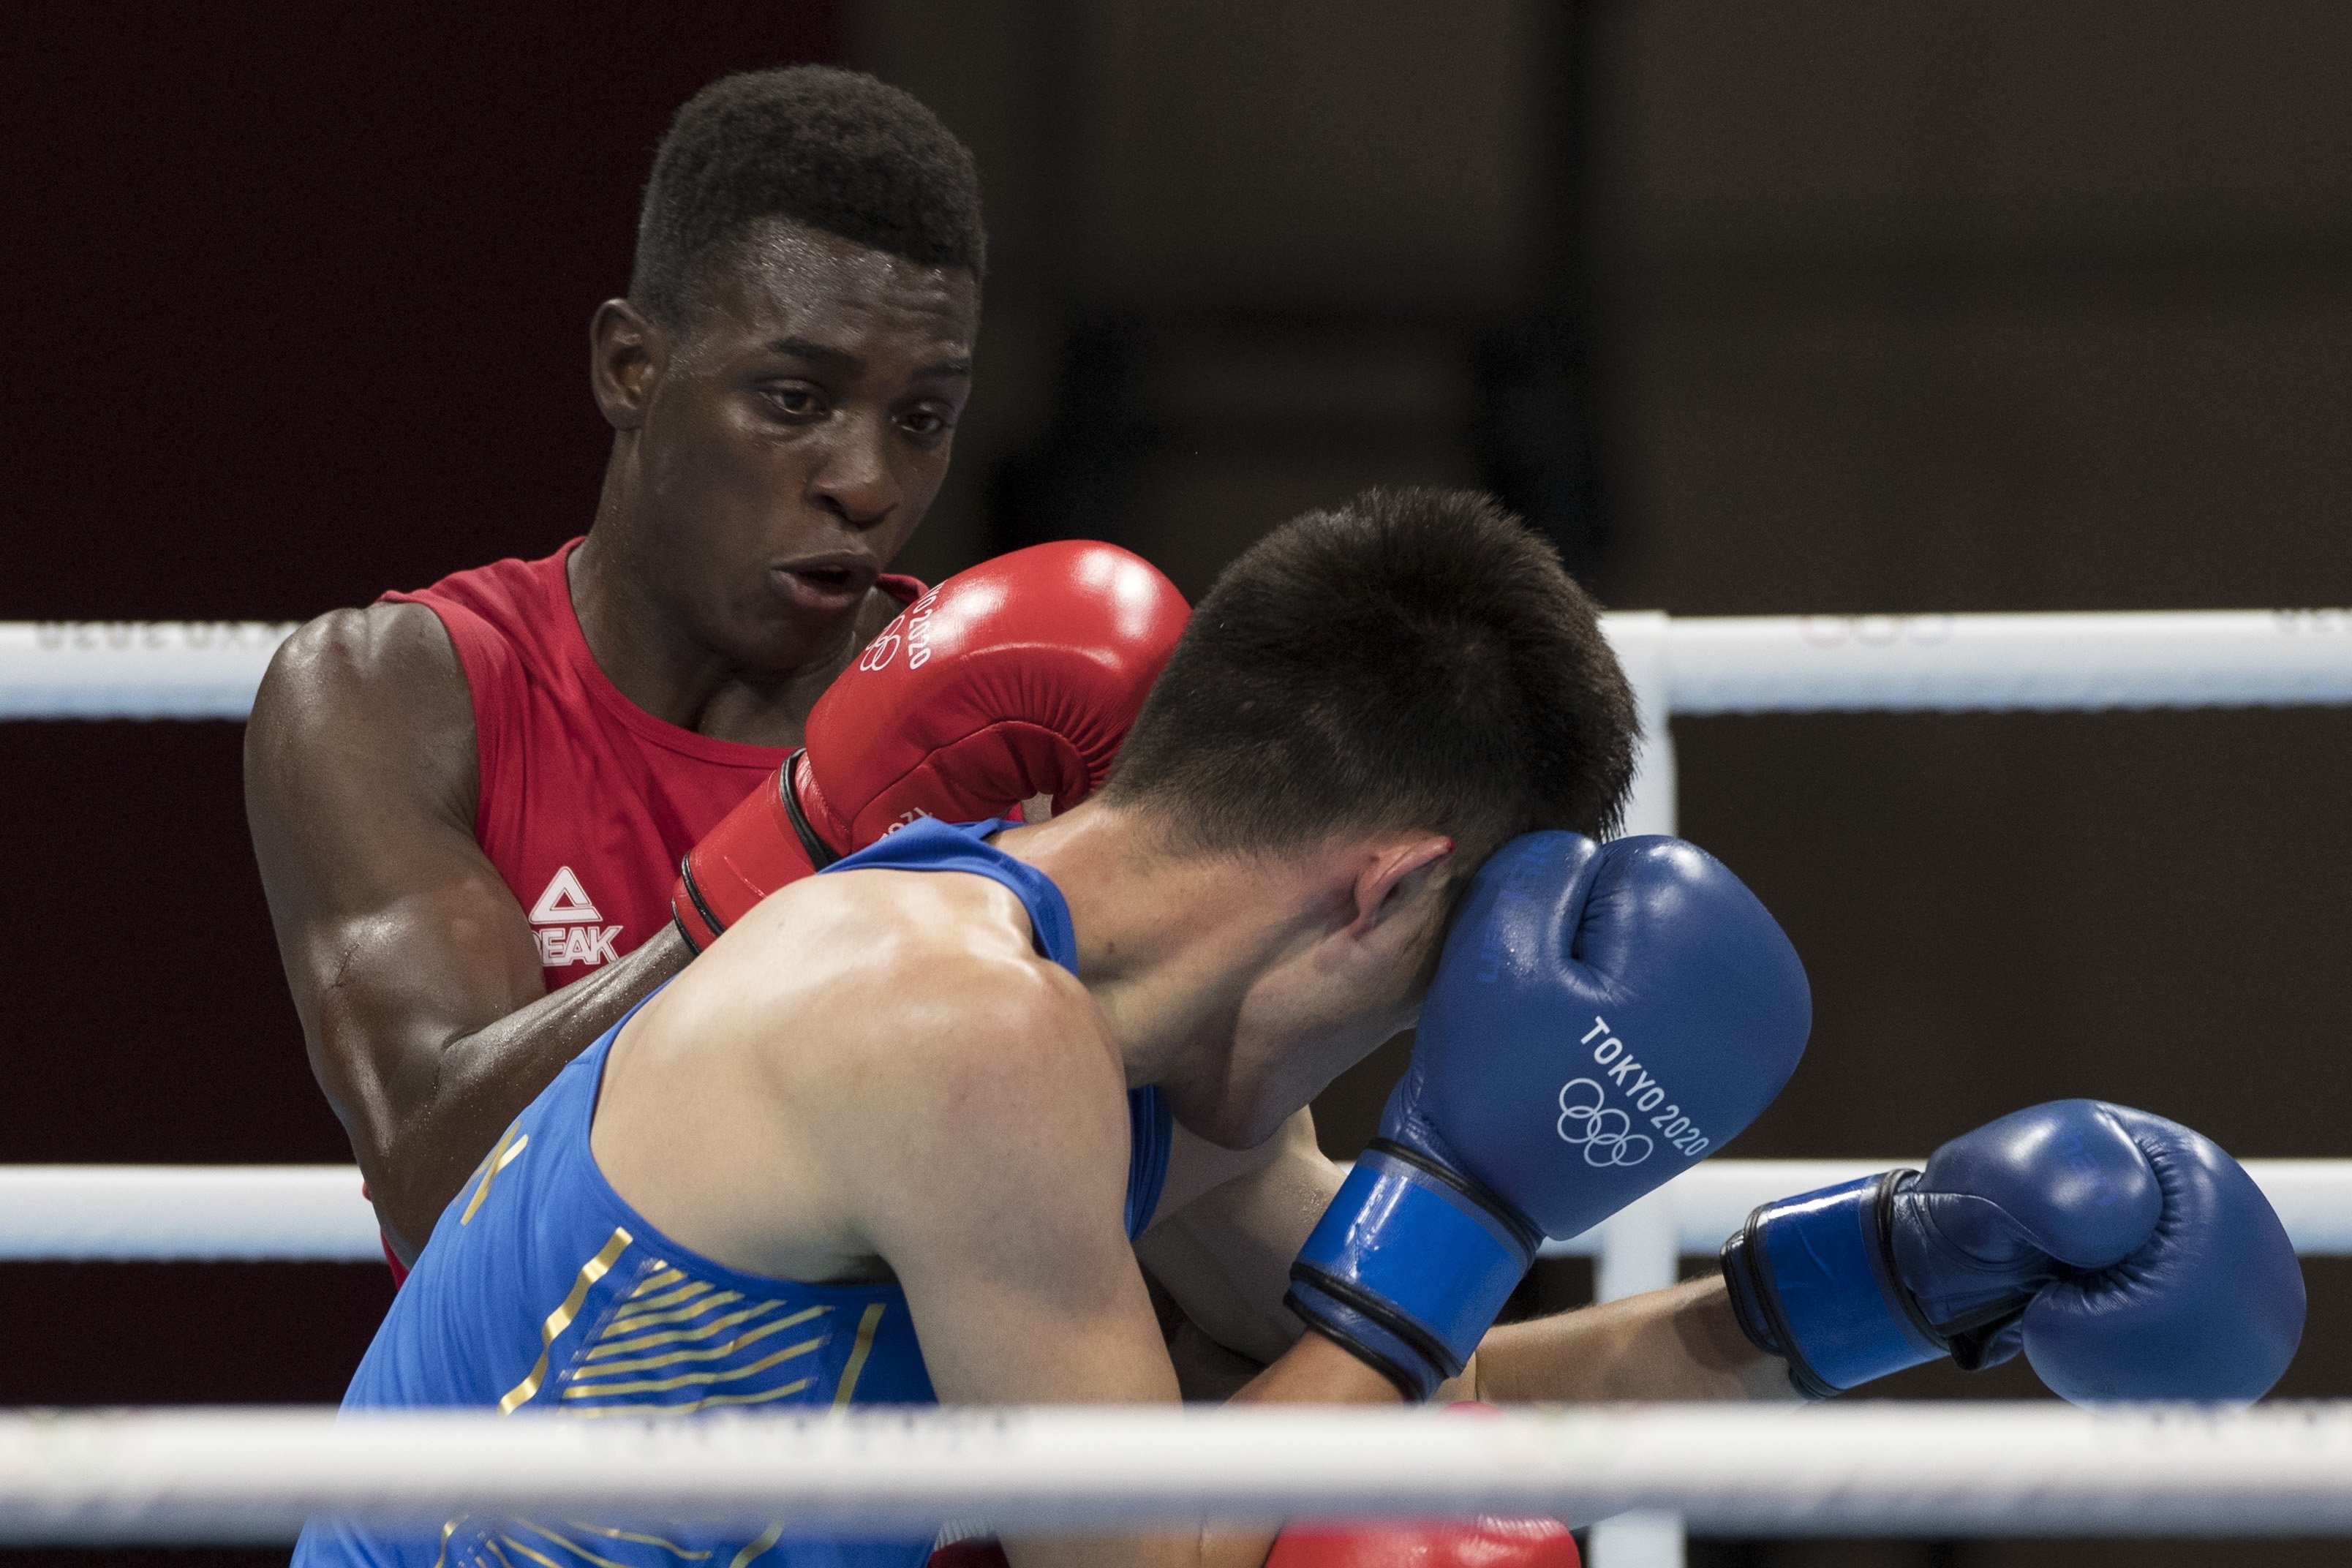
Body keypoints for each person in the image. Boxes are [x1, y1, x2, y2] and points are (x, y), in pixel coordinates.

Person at [294, 492, 2299, 1568]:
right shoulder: (947, 1023)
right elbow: (1156, 1564)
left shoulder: (1139, 1059)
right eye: (1444, 986)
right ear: (1391, 891)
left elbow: (1421, 1390)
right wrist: (1472, 1189)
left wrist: (1869, 1293)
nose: (1422, 1053)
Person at [245, 67, 1186, 1265]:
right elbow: (445, 1189)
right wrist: (805, 836)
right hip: (529, 1429)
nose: (868, 483)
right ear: (631, 369)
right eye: (795, 399)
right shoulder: (403, 699)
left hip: (906, 1427)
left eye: (923, 420)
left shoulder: (1018, 721)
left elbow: (1198, 1206)